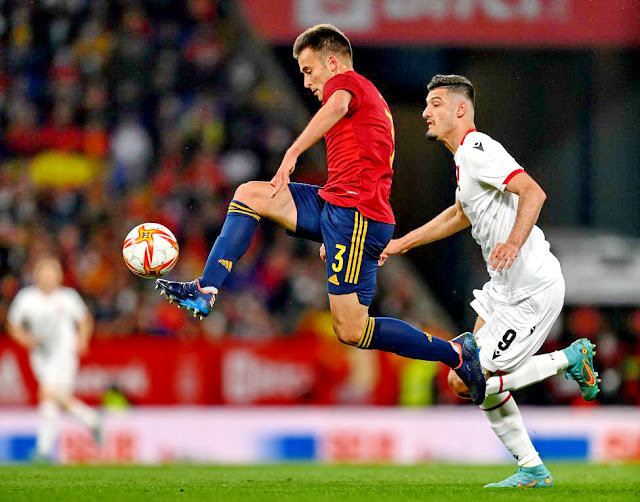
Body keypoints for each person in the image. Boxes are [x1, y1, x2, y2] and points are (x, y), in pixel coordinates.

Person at [156, 24, 486, 403]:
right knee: (250, 194)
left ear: (331, 62)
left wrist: (293, 152)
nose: (307, 81)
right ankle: (205, 289)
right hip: (338, 206)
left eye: (309, 70)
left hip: (355, 214)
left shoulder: (347, 84)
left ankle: (456, 353)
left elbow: (337, 105)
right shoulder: (363, 97)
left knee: (350, 329)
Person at [380, 74, 599, 488]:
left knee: (472, 376)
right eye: (427, 104)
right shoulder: (465, 160)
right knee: (461, 377)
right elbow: (459, 214)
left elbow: (533, 192)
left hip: (531, 288)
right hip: (504, 289)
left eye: (436, 104)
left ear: (460, 110)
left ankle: (570, 358)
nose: (426, 112)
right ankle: (532, 469)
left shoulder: (479, 149)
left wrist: (514, 243)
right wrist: (401, 244)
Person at [7, 257, 101, 461]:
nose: (48, 276)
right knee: (57, 400)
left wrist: (82, 339)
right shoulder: (26, 298)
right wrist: (24, 338)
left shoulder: (68, 297)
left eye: (53, 272)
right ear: (37, 275)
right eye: (44, 272)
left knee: (47, 394)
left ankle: (42, 450)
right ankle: (91, 419)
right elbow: (13, 324)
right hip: (40, 355)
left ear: (59, 276)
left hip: (64, 353)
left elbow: (85, 320)